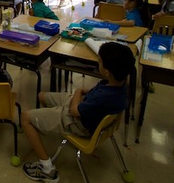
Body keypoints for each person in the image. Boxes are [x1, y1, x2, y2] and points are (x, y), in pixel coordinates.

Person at [21, 42, 135, 182]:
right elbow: (92, 95)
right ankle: (47, 123)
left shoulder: (103, 98)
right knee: (41, 96)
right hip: (84, 107)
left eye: (99, 61)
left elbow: (75, 111)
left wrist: (78, 91)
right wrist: (81, 94)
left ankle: (47, 170)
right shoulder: (120, 86)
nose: (97, 63)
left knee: (25, 118)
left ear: (107, 72)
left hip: (77, 121)